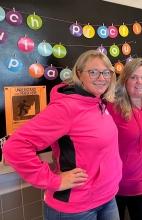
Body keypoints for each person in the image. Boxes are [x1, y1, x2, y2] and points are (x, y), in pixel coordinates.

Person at [3, 50, 122, 220]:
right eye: (93, 72)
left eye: (106, 72)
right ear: (79, 74)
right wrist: (54, 181)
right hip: (77, 208)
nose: (101, 78)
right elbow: (15, 147)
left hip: (107, 198)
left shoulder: (98, 102)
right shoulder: (66, 108)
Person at [107, 58, 142, 220]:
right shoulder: (112, 107)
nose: (139, 82)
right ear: (125, 80)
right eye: (134, 77)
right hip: (116, 186)